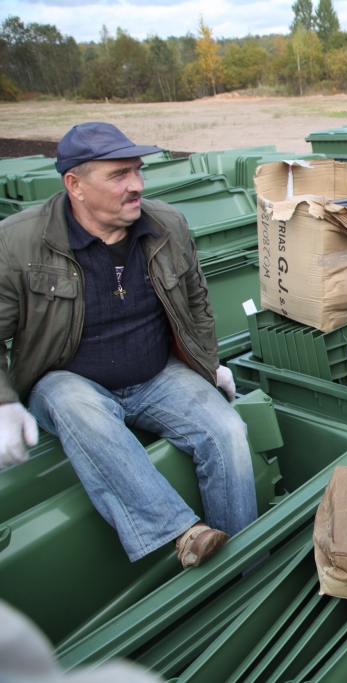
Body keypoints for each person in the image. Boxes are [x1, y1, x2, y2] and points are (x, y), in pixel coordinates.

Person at [0, 122, 257, 568]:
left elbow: (198, 302)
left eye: (138, 171)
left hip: (157, 373)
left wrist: (207, 363)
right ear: (74, 185)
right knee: (74, 403)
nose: (136, 185)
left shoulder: (168, 224)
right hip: (68, 378)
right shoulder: (18, 241)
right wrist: (3, 402)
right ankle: (182, 532)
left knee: (228, 431)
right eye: (119, 175)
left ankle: (242, 563)